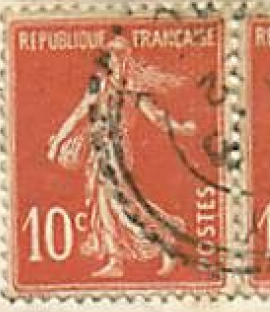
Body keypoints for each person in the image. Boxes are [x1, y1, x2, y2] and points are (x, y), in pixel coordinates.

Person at [47, 33, 198, 279]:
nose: (116, 61)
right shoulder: (99, 84)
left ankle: (165, 244)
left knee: (121, 204)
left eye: (120, 56)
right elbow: (79, 112)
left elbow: (157, 117)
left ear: (127, 58)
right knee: (105, 205)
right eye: (112, 56)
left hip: (114, 152)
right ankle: (117, 259)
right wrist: (59, 140)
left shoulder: (133, 88)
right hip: (98, 151)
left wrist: (181, 128)